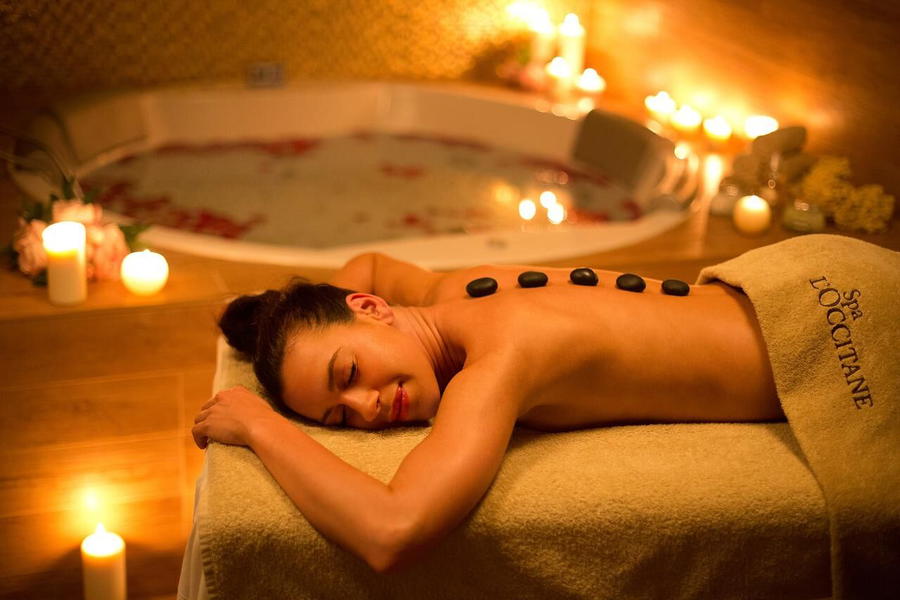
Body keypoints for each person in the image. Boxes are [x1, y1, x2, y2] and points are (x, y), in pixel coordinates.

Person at [191, 252, 783, 572]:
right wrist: (288, 321)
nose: (367, 406)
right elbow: (366, 264)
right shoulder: (450, 291)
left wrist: (258, 424)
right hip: (780, 287)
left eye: (347, 374)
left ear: (371, 309)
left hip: (806, 336)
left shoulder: (499, 362)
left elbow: (391, 531)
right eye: (340, 419)